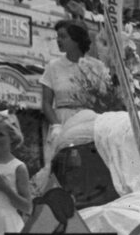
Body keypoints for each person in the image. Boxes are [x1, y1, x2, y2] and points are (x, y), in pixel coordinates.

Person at [40, 20, 111, 150]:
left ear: (77, 38)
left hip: (88, 122)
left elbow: (104, 101)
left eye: (63, 36)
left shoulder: (97, 67)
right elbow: (46, 103)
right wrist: (56, 125)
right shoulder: (53, 66)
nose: (58, 40)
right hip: (62, 123)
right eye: (58, 37)